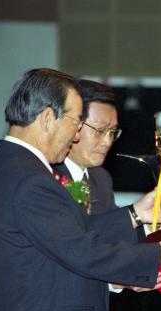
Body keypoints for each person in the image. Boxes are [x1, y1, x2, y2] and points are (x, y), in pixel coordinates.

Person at [0, 68, 161, 311]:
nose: (75, 136)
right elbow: (81, 249)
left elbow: (64, 241)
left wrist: (137, 216)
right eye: (75, 122)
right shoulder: (29, 179)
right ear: (48, 117)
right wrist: (159, 253)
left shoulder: (8, 166)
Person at [52, 79, 122, 215]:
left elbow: (111, 229)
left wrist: (150, 217)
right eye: (100, 131)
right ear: (74, 126)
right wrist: (135, 214)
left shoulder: (101, 178)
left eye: (112, 132)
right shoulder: (47, 175)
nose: (107, 142)